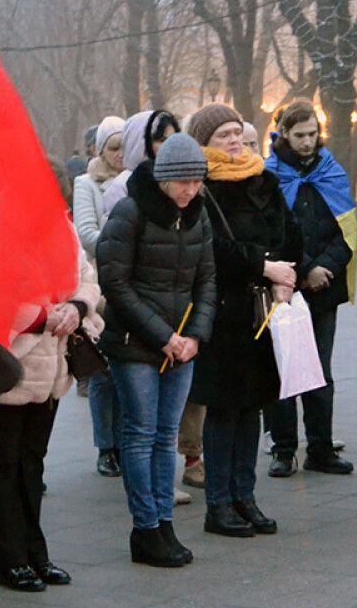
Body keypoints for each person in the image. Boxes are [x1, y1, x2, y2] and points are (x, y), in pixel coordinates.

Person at [0, 162, 100, 592]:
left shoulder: (60, 229)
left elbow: (86, 276)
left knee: (32, 464)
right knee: (1, 464)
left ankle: (36, 552)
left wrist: (77, 309)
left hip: (52, 366)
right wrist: (46, 316)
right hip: (9, 365)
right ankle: (10, 559)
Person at [98, 133, 216, 567]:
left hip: (183, 344)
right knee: (141, 434)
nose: (191, 190)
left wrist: (195, 336)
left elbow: (207, 281)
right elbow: (115, 282)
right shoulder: (130, 212)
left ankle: (165, 523)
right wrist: (161, 337)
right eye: (183, 182)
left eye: (197, 181)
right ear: (164, 178)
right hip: (136, 346)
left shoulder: (199, 215)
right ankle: (144, 527)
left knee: (168, 437)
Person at [186, 104, 302, 538]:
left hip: (264, 309)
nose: (235, 141)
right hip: (222, 312)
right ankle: (218, 503)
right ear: (204, 143)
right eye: (223, 136)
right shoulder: (201, 187)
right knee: (223, 408)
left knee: (252, 405)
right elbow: (211, 249)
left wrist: (287, 274)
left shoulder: (264, 180)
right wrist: (263, 267)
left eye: (238, 133)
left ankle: (244, 496)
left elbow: (290, 233)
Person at [263, 101, 355, 477]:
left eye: (312, 134)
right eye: (299, 135)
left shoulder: (331, 173)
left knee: (320, 368)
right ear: (284, 134)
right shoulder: (268, 177)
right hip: (284, 286)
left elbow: (345, 229)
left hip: (324, 288)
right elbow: (270, 233)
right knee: (282, 366)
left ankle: (321, 447)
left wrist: (324, 267)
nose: (306, 142)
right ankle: (283, 449)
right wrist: (301, 271)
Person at [72, 115, 125, 478]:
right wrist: (125, 234)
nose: (120, 154)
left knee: (130, 370)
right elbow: (86, 233)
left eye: (125, 146)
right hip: (102, 286)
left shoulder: (138, 179)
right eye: (113, 147)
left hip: (136, 284)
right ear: (100, 149)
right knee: (104, 373)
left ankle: (127, 441)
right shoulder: (86, 183)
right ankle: (106, 446)